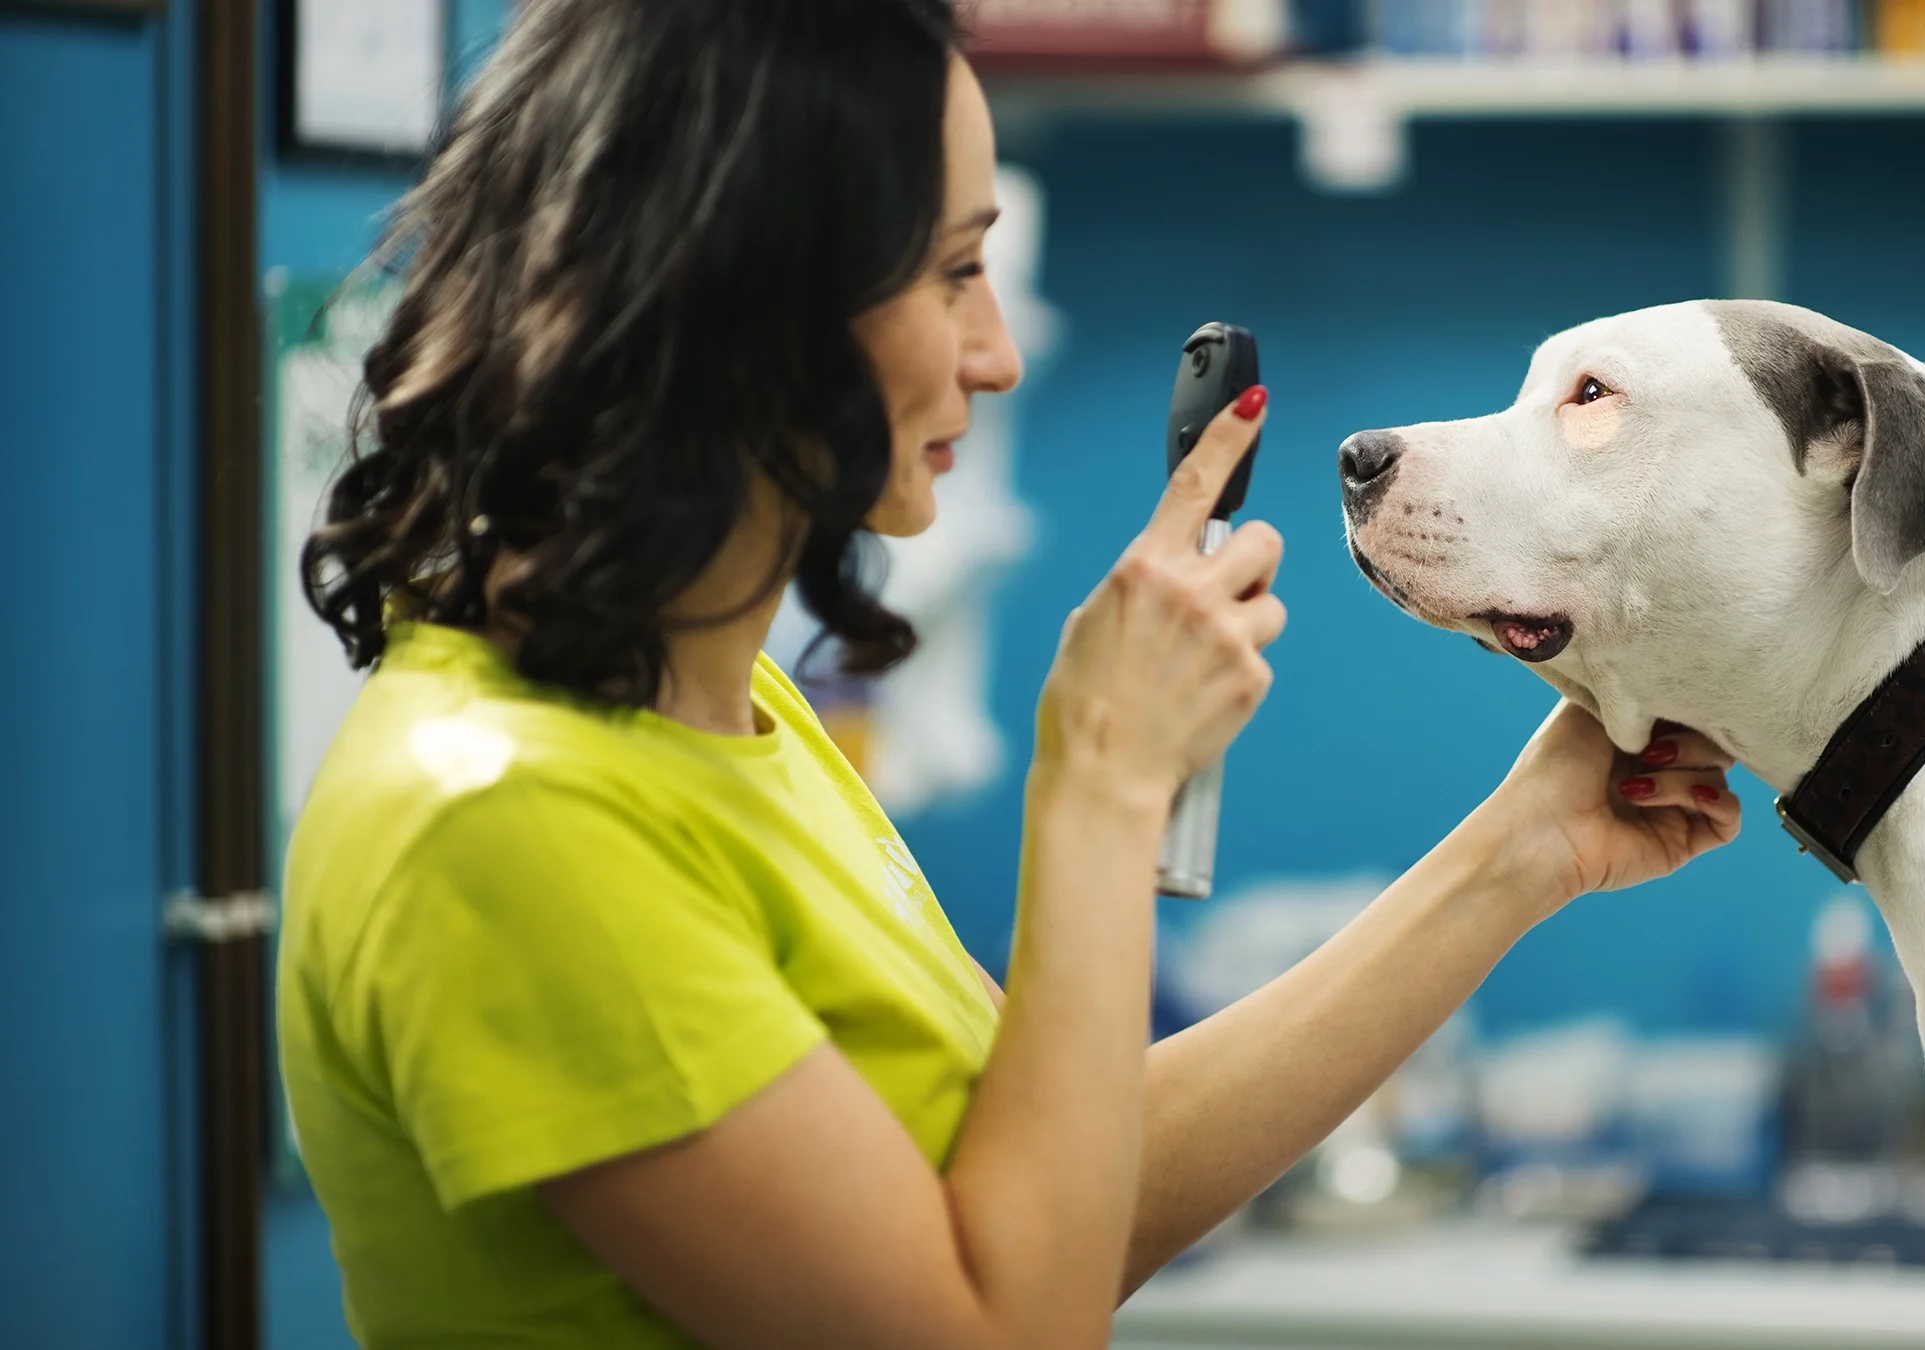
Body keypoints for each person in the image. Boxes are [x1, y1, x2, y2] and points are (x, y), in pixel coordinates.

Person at [276, 2, 1744, 1347]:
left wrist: (1520, 852)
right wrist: (1100, 780)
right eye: (956, 271)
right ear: (741, 296)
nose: (997, 355)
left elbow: (1057, 1199)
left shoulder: (721, 716)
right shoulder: (509, 825)